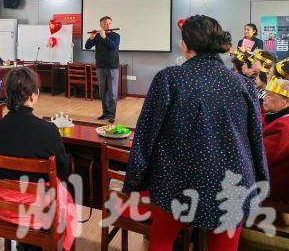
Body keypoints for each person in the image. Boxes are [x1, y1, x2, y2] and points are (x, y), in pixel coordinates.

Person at [123, 15, 268, 251]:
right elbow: (255, 139)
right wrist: (262, 180)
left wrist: (134, 179)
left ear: (186, 44)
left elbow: (146, 134)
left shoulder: (170, 78)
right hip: (234, 180)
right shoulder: (243, 84)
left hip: (178, 179)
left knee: (161, 240)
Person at [0, 67, 77, 251]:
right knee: (66, 188)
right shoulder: (48, 130)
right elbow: (62, 168)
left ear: (7, 95)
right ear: (34, 96)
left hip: (4, 208)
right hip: (38, 211)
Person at [84, 16, 120, 122]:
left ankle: (112, 114)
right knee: (103, 92)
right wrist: (91, 38)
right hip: (100, 67)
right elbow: (87, 46)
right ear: (101, 25)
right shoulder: (97, 36)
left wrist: (104, 37)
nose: (107, 25)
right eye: (105, 23)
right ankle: (105, 113)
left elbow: (113, 46)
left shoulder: (115, 35)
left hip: (112, 67)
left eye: (109, 23)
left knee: (112, 92)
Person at [261, 78, 289, 201]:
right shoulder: (273, 117)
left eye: (270, 94)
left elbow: (261, 157)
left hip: (272, 195)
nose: (264, 97)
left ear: (286, 101)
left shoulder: (284, 126)